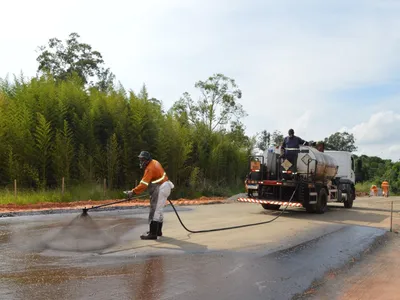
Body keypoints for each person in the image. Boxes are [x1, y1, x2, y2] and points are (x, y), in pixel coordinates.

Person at [127, 151, 174, 240]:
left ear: (147, 160)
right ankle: (158, 231)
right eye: (140, 160)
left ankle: (153, 234)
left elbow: (143, 185)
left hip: (162, 188)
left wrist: (132, 192)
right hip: (166, 186)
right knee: (159, 210)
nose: (141, 162)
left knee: (155, 210)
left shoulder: (149, 168)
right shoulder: (155, 162)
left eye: (142, 160)